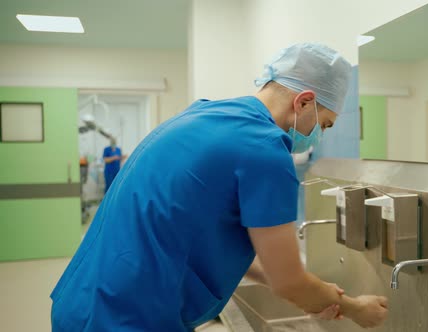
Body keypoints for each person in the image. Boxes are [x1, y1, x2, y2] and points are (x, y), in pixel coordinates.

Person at [50, 43, 388, 332]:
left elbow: (269, 269)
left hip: (86, 299)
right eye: (324, 123)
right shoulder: (265, 149)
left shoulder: (203, 114)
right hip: (128, 317)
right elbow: (289, 281)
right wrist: (358, 309)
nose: (320, 135)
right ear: (304, 101)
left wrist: (304, 288)